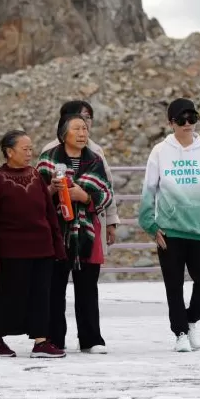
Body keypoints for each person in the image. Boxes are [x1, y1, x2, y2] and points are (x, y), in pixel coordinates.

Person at [138, 98, 200, 353]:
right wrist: (150, 225)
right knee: (174, 284)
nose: (188, 123)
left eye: (192, 118)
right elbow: (148, 190)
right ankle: (179, 333)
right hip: (170, 230)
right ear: (171, 123)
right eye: (181, 119)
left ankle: (190, 320)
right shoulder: (159, 151)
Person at [0, 130, 67, 359]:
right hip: (11, 251)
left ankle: (40, 341)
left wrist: (57, 246)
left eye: (30, 149)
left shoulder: (36, 176)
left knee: (41, 295)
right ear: (9, 152)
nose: (29, 153)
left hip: (42, 248)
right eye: (24, 149)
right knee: (6, 295)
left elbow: (49, 213)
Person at [37, 114, 114, 354]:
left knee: (88, 289)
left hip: (86, 235)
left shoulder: (95, 160)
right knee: (54, 288)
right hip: (55, 233)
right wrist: (53, 190)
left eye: (85, 129)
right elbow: (36, 195)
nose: (83, 133)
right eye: (77, 129)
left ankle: (91, 339)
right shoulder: (48, 160)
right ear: (63, 135)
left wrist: (86, 197)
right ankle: (54, 339)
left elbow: (107, 193)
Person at [41, 100, 120, 251]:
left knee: (88, 270)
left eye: (88, 117)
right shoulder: (49, 153)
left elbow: (107, 188)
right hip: (57, 227)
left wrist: (111, 221)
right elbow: (39, 191)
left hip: (89, 223)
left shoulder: (96, 152)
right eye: (80, 117)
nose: (86, 122)